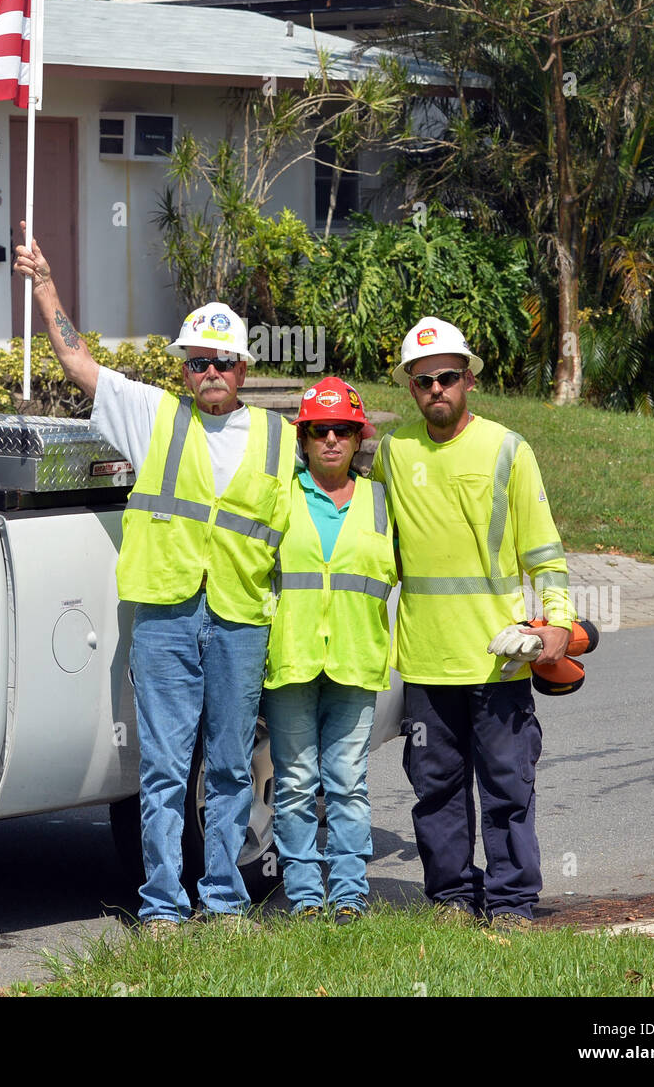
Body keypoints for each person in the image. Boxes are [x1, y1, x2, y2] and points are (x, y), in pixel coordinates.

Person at [13, 226, 295, 934]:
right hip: (166, 618)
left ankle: (226, 902)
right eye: (197, 362)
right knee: (166, 772)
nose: (210, 374)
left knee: (230, 769)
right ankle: (166, 906)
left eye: (222, 362)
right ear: (182, 370)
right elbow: (78, 363)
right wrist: (46, 286)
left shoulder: (278, 438)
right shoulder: (152, 415)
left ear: (242, 368)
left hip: (239, 620)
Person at [371, 317, 576, 929]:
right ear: (410, 387)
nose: (436, 389)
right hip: (427, 664)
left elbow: (545, 553)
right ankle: (454, 900)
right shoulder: (392, 452)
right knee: (435, 789)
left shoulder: (508, 449)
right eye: (423, 380)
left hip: (501, 659)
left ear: (469, 381)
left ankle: (511, 903)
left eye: (448, 378)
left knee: (508, 789)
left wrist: (557, 629)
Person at [263, 377, 396, 923]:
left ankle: (348, 895)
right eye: (321, 431)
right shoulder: (280, 496)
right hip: (292, 658)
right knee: (294, 783)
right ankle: (304, 896)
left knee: (347, 781)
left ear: (360, 438)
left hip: (356, 658)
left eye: (344, 430)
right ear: (305, 438)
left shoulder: (383, 501)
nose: (333, 441)